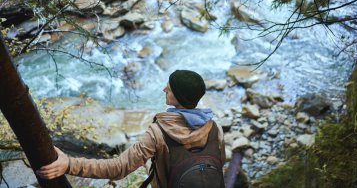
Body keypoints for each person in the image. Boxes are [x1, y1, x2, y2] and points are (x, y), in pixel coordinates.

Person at [37, 70, 226, 188]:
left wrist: (69, 164)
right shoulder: (215, 129)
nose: (163, 89)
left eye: (168, 89)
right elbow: (218, 164)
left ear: (178, 97)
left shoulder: (158, 133)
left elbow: (118, 168)